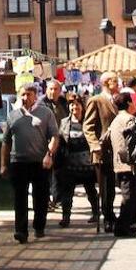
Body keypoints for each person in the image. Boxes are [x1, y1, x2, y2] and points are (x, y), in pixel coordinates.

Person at [0, 83, 59, 243]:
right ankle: (21, 231)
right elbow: (6, 142)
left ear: (35, 95)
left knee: (40, 197)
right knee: (20, 199)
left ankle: (39, 226)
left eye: (29, 94)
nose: (26, 98)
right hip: (18, 162)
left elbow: (54, 136)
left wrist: (49, 154)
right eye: (23, 95)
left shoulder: (46, 113)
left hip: (40, 162)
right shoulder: (13, 115)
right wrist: (3, 164)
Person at [55, 94, 100, 226]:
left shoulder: (88, 121)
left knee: (91, 191)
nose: (74, 107)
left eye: (77, 104)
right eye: (72, 104)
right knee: (67, 193)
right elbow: (61, 139)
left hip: (87, 164)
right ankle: (66, 217)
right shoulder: (64, 122)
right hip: (70, 165)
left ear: (82, 106)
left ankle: (96, 213)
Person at [84, 72, 120, 232]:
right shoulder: (96, 101)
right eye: (114, 80)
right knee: (105, 186)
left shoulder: (117, 100)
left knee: (112, 185)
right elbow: (88, 126)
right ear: (106, 82)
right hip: (102, 151)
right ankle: (107, 215)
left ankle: (112, 214)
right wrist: (94, 144)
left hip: (116, 149)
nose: (118, 83)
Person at [105, 90, 136, 237]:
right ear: (128, 104)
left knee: (131, 195)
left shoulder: (115, 120)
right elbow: (133, 141)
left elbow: (106, 139)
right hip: (128, 164)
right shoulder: (128, 120)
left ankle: (131, 225)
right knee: (129, 197)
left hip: (119, 163)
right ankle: (122, 227)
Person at [41, 79, 69, 209]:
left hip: (62, 142)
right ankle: (45, 200)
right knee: (46, 173)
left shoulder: (64, 103)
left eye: (55, 89)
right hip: (46, 142)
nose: (53, 92)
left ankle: (58, 199)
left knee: (60, 173)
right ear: (46, 90)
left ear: (60, 90)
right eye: (50, 89)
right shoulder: (41, 103)